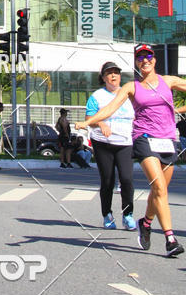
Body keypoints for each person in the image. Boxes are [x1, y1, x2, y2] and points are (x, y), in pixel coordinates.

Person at [76, 43, 186, 257]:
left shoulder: (168, 81)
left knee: (158, 190)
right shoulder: (131, 87)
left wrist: (178, 110)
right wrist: (88, 122)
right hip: (144, 139)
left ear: (154, 60)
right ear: (136, 63)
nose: (145, 60)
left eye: (148, 57)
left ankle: (145, 223)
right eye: (140, 58)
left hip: (168, 140)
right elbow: (109, 109)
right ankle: (170, 239)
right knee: (160, 189)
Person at [84, 61, 135, 230]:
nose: (113, 76)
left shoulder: (129, 95)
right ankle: (107, 214)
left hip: (124, 143)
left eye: (116, 72)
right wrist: (100, 124)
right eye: (109, 73)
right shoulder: (97, 96)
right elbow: (88, 120)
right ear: (103, 78)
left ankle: (127, 214)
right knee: (107, 181)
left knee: (127, 179)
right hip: (103, 143)